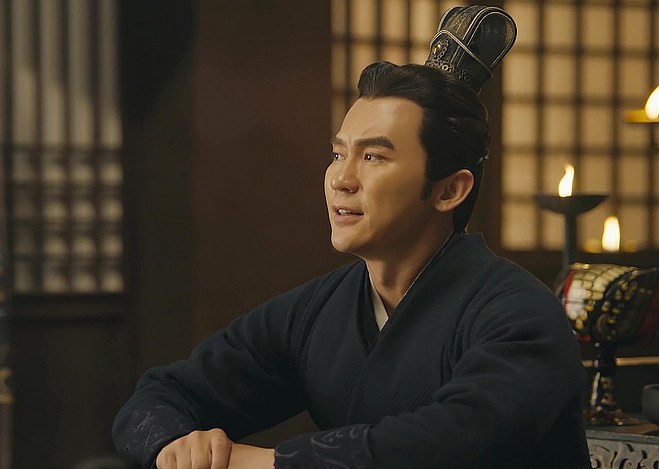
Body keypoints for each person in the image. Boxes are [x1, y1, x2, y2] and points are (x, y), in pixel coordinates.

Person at [113, 6, 591, 469]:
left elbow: (453, 440)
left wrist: (271, 463)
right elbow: (160, 397)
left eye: (374, 157)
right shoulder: (318, 311)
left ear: (449, 190)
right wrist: (175, 445)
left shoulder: (518, 315)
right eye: (339, 154)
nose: (341, 179)